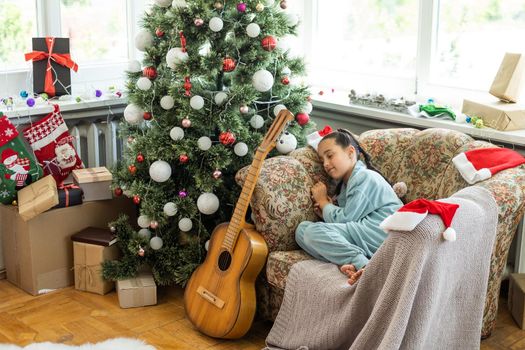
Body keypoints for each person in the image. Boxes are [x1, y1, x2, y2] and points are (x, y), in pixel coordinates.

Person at [295, 128, 402, 285]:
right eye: (322, 159)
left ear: (350, 152)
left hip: (382, 236)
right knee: (302, 231)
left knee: (310, 231)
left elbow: (347, 219)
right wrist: (326, 211)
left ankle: (363, 265)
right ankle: (353, 262)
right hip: (364, 235)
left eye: (330, 156)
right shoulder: (347, 186)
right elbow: (349, 219)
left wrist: (324, 204)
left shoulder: (365, 177)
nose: (325, 163)